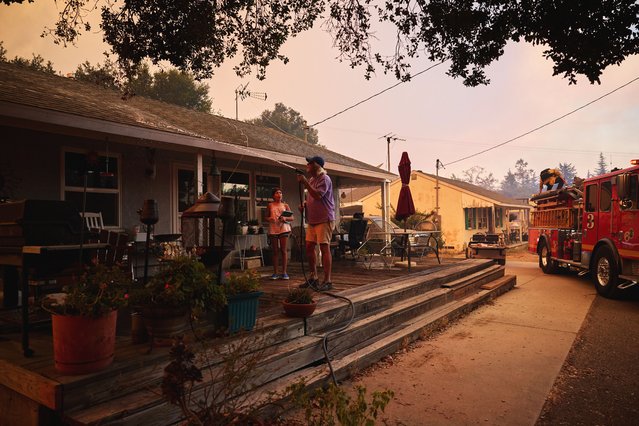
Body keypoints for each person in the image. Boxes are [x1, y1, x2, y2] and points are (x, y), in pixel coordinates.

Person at [297, 156, 335, 291]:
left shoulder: (325, 178)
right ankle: (313, 278)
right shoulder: (312, 179)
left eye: (310, 163)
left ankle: (327, 281)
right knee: (309, 247)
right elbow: (312, 198)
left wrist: (305, 182)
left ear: (317, 165)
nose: (307, 164)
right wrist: (304, 205)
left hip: (324, 219)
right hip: (312, 220)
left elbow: (318, 195)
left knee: (324, 247)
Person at [267, 187, 293, 280]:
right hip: (273, 228)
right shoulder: (270, 205)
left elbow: (292, 218)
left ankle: (284, 272)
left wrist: (285, 218)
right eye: (277, 193)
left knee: (283, 250)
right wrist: (270, 218)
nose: (279, 194)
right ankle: (275, 273)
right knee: (275, 251)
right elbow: (266, 217)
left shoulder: (285, 205)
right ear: (273, 195)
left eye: (280, 193)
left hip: (284, 228)